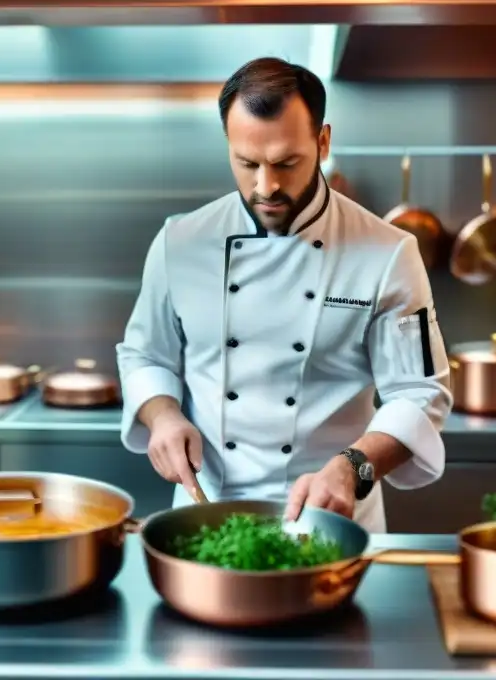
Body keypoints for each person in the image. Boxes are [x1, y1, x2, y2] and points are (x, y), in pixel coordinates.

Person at [116, 57, 452, 532]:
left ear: (323, 142)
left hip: (331, 515)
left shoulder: (387, 252)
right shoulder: (180, 242)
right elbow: (145, 355)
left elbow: (420, 392)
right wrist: (164, 416)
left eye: (285, 163)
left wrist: (353, 468)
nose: (265, 186)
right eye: (247, 163)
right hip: (206, 512)